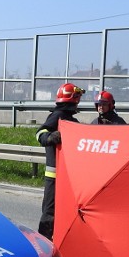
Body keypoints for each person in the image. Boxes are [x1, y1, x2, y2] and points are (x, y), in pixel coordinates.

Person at [35, 82, 84, 240]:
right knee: (50, 213)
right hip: (55, 177)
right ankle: (44, 244)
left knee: (64, 212)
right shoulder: (57, 116)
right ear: (73, 98)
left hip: (67, 177)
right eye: (78, 97)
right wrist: (50, 137)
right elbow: (40, 133)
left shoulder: (69, 120)